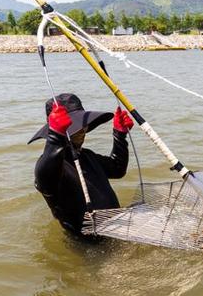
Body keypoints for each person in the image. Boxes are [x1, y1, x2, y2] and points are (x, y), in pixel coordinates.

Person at [28, 93, 134, 236]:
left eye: (82, 125)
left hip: (115, 228)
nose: (82, 130)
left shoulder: (86, 155)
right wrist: (55, 138)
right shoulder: (53, 166)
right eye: (73, 126)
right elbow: (45, 177)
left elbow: (117, 169)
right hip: (88, 244)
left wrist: (119, 136)